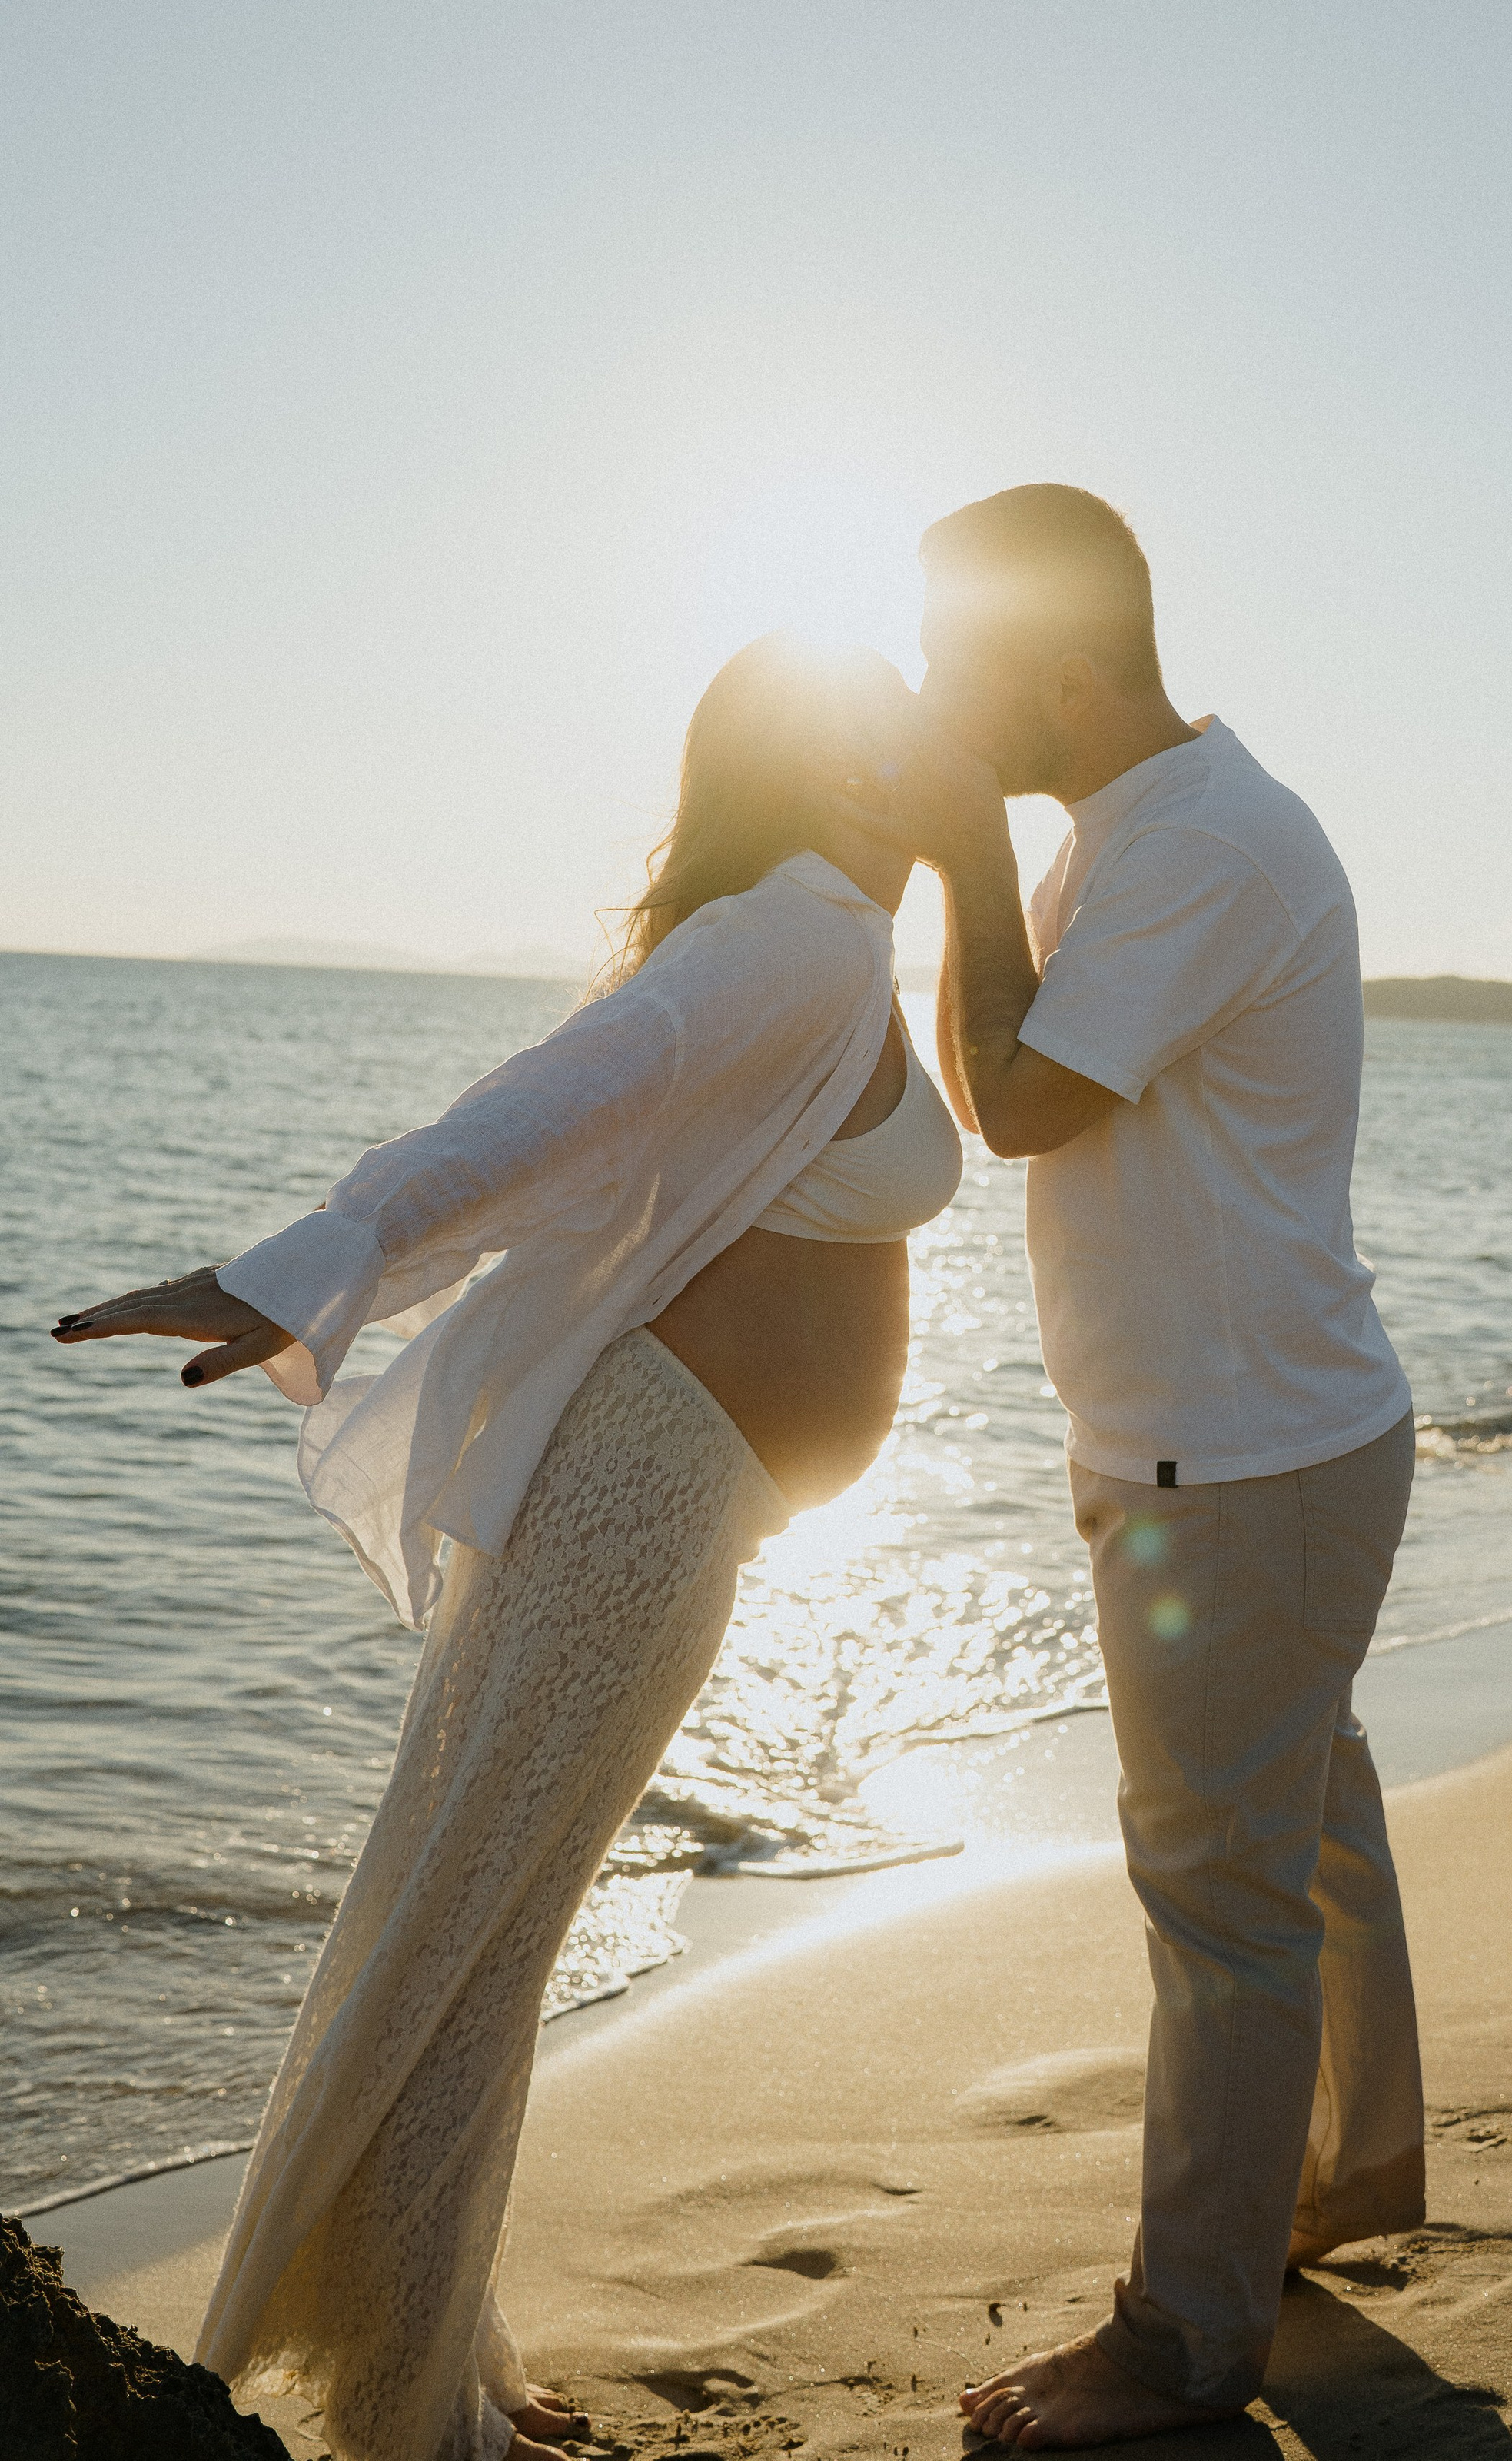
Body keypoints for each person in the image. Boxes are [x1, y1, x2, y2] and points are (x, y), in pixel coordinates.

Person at [49, 633, 964, 2461]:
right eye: (844, 755)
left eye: (901, 749)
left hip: (680, 1487)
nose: (885, 783)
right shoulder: (798, 932)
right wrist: (315, 1254)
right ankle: (409, 2423)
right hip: (645, 1483)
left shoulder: (826, 939)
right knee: (474, 1931)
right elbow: (562, 1094)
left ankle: (433, 2359)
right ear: (782, 778)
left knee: (479, 1928)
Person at [836, 484, 1422, 2451]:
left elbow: (1010, 1103)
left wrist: (955, 856)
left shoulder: (1197, 854)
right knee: (1296, 1821)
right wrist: (983, 857)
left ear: (1067, 678)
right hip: (1256, 1437)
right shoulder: (1139, 828)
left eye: (954, 663)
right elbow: (1024, 1072)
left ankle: (1188, 2335)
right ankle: (1341, 2179)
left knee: (1219, 1892)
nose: (930, 696)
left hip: (1240, 1460)